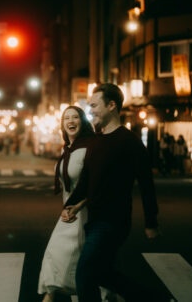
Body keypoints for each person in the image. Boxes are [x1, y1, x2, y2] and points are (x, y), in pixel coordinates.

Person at [62, 83, 163, 302]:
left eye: (94, 105)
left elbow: (146, 184)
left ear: (111, 105)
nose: (91, 111)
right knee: (102, 274)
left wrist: (151, 221)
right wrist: (70, 205)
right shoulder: (96, 142)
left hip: (113, 222)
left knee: (84, 273)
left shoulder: (130, 143)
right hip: (94, 220)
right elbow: (87, 180)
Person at [38, 106, 113, 302]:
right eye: (66, 118)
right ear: (63, 125)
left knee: (90, 269)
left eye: (75, 117)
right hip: (68, 215)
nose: (71, 121)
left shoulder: (92, 148)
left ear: (83, 121)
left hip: (88, 215)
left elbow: (99, 184)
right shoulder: (68, 150)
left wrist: (80, 205)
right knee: (54, 260)